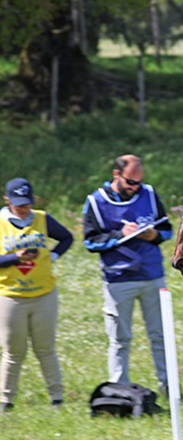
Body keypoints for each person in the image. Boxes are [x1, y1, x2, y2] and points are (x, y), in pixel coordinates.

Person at [82, 155, 172, 395]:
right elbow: (90, 242)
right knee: (120, 339)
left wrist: (154, 235)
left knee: (160, 336)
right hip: (118, 280)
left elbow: (167, 230)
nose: (135, 188)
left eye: (138, 183)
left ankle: (168, 386)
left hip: (153, 276)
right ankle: (120, 389)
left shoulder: (149, 194)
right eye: (130, 182)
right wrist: (119, 234)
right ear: (116, 175)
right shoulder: (95, 201)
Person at [0, 178, 73, 413]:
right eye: (19, 204)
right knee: (14, 351)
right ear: (7, 200)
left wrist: (52, 257)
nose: (24, 208)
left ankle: (57, 398)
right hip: (11, 297)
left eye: (27, 204)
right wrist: (15, 258)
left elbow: (67, 238)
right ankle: (6, 400)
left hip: (44, 295)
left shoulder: (42, 219)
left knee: (46, 349)